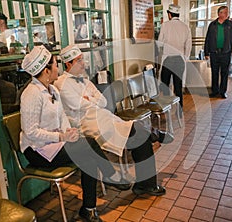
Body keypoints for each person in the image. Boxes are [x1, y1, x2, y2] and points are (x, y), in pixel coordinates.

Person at [20, 45, 132, 222]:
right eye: (56, 64)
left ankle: (89, 208)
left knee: (87, 156)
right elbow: (31, 132)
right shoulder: (31, 94)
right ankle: (109, 177)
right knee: (89, 145)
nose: (59, 67)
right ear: (46, 70)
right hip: (37, 151)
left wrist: (69, 132)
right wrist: (61, 137)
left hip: (56, 144)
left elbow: (62, 116)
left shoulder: (52, 90)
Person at [54, 45, 167, 198]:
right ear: (68, 64)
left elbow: (103, 101)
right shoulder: (61, 83)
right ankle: (146, 179)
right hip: (86, 124)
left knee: (139, 132)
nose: (83, 63)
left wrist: (89, 99)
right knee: (139, 131)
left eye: (82, 59)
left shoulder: (85, 80)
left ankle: (146, 182)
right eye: (79, 60)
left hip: (102, 117)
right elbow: (77, 105)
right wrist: (91, 99)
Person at [158, 4, 192, 109]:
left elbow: (159, 43)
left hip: (168, 59)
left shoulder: (165, 25)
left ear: (169, 14)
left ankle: (167, 108)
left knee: (165, 85)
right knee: (178, 86)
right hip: (179, 59)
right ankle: (180, 109)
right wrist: (184, 57)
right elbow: (188, 45)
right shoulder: (185, 27)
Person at [204, 6, 232, 99]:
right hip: (214, 52)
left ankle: (223, 92)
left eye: (227, 12)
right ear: (219, 14)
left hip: (225, 53)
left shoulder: (231, 24)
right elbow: (208, 39)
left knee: (224, 73)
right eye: (225, 12)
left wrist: (231, 49)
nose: (227, 14)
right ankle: (215, 91)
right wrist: (206, 52)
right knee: (214, 73)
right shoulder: (213, 24)